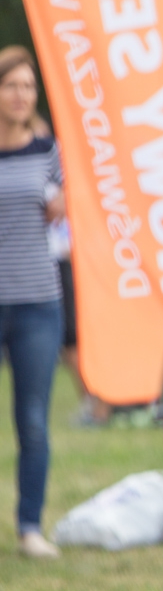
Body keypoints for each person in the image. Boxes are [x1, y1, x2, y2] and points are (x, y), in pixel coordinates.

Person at [0, 47, 65, 558]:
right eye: (11, 85)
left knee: (34, 421)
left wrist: (65, 208)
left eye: (28, 86)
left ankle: (29, 527)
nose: (21, 95)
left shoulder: (50, 152)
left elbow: (72, 220)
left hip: (38, 303)